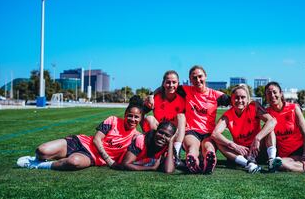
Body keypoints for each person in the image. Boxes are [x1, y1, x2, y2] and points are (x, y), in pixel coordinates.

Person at [16, 96, 144, 171]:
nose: (132, 119)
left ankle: (39, 165)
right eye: (130, 115)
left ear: (140, 119)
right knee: (42, 150)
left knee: (74, 162)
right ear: (125, 114)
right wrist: (109, 160)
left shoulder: (136, 137)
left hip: (93, 158)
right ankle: (36, 158)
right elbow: (96, 139)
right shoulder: (113, 120)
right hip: (81, 142)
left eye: (136, 117)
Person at [147, 65, 231, 174]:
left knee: (208, 147)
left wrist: (252, 104)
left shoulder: (216, 95)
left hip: (208, 133)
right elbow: (166, 86)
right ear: (190, 79)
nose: (197, 80)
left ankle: (208, 161)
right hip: (191, 131)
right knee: (192, 148)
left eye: (200, 76)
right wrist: (151, 95)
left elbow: (236, 101)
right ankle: (192, 161)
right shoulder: (185, 90)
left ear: (205, 76)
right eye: (194, 78)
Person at [212, 84, 281, 173]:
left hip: (259, 149)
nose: (240, 100)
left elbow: (272, 121)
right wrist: (233, 145)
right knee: (218, 141)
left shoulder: (254, 106)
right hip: (243, 152)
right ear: (231, 100)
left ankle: (272, 160)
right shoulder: (227, 115)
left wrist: (257, 138)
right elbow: (215, 133)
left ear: (248, 99)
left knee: (269, 128)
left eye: (243, 97)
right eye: (236, 97)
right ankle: (248, 164)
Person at [142, 70, 186, 167]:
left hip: (174, 134)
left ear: (178, 84)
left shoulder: (183, 98)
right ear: (163, 83)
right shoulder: (155, 98)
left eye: (174, 82)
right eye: (168, 82)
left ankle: (176, 155)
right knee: (149, 118)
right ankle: (153, 153)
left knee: (181, 116)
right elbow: (140, 112)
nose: (171, 85)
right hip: (159, 134)